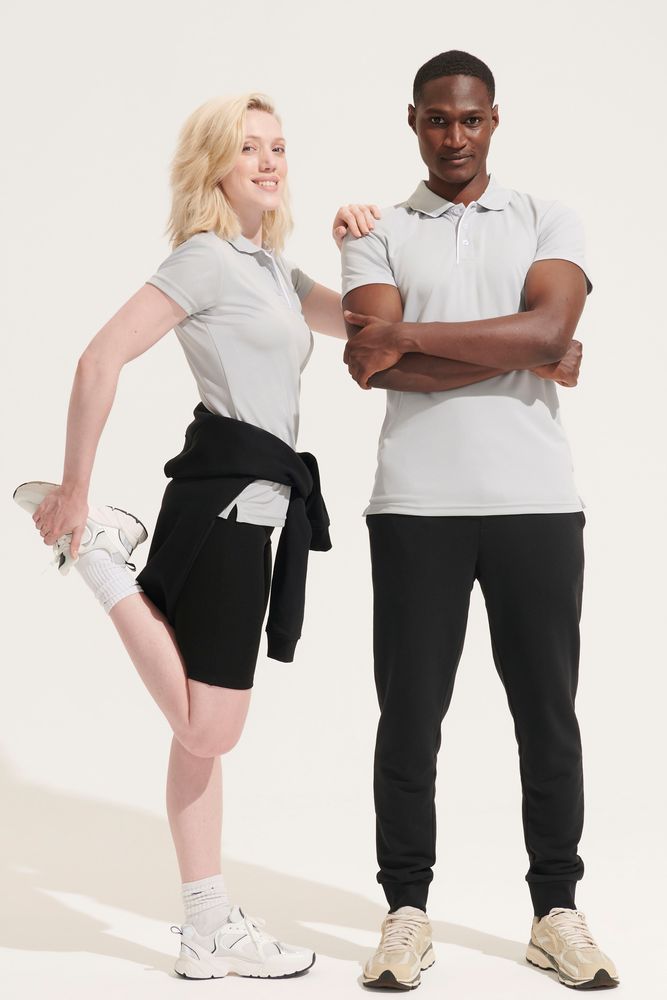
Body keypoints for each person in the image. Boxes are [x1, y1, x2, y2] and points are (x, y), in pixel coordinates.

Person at [13, 91, 379, 982]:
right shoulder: (206, 259)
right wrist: (75, 489)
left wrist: (358, 245)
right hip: (224, 505)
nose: (269, 161)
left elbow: (365, 325)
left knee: (196, 738)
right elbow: (99, 357)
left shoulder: (274, 270)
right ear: (212, 164)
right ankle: (100, 557)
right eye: (248, 147)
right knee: (210, 728)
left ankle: (206, 926)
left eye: (278, 146)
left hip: (253, 508)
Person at [341, 51, 619, 991]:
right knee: (409, 718)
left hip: (535, 502)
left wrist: (411, 335)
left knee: (546, 716)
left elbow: (545, 329)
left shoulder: (548, 217)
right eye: (436, 120)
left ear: (493, 119)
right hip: (414, 505)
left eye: (468, 119)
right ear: (412, 121)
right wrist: (520, 347)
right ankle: (405, 912)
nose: (452, 137)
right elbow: (370, 363)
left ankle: (555, 911)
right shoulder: (376, 234)